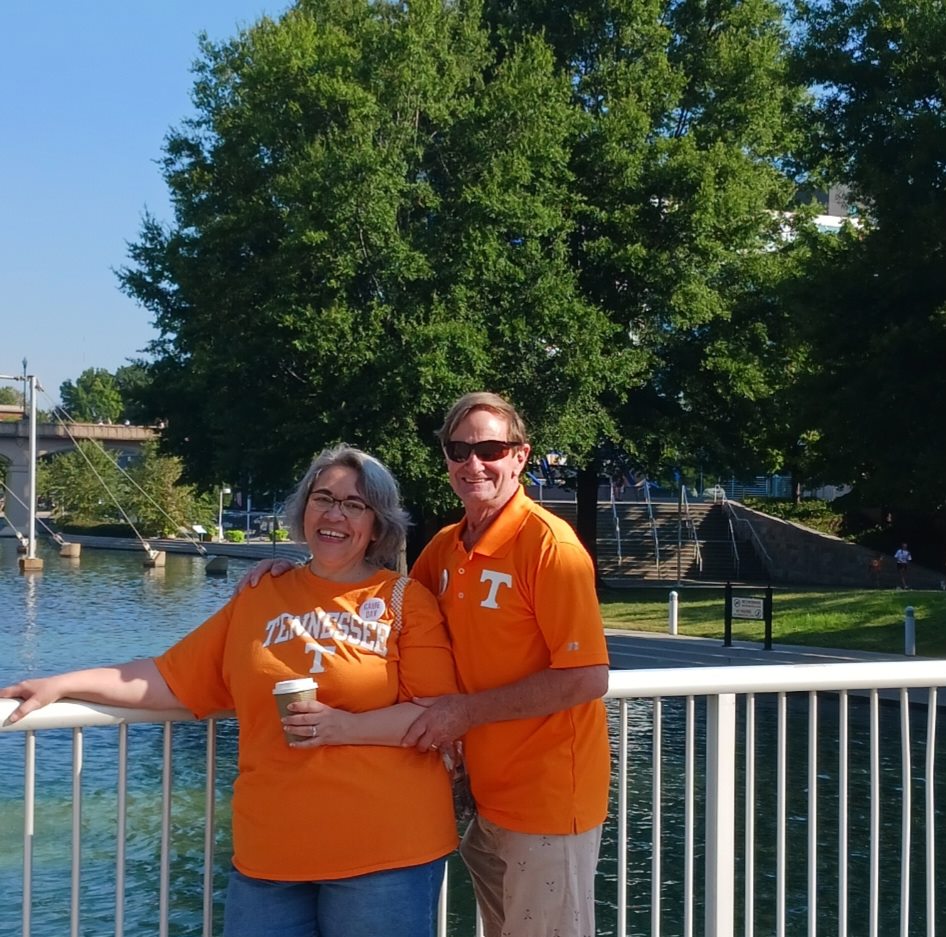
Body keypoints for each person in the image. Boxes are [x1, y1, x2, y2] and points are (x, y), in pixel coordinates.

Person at [0, 445, 459, 937]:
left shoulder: (404, 600)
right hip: (271, 854)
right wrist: (62, 682)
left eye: (354, 504)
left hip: (386, 853)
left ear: (377, 522)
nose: (334, 514)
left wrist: (343, 726)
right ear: (303, 507)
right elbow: (172, 677)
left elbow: (438, 716)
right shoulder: (261, 593)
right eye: (323, 497)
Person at [241, 393, 612, 937]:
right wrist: (294, 572)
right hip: (483, 800)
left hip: (549, 800)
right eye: (458, 449)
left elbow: (587, 677)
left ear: (520, 456)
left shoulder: (550, 547)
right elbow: (375, 594)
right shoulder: (443, 549)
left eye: (489, 448)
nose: (473, 463)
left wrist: (464, 714)